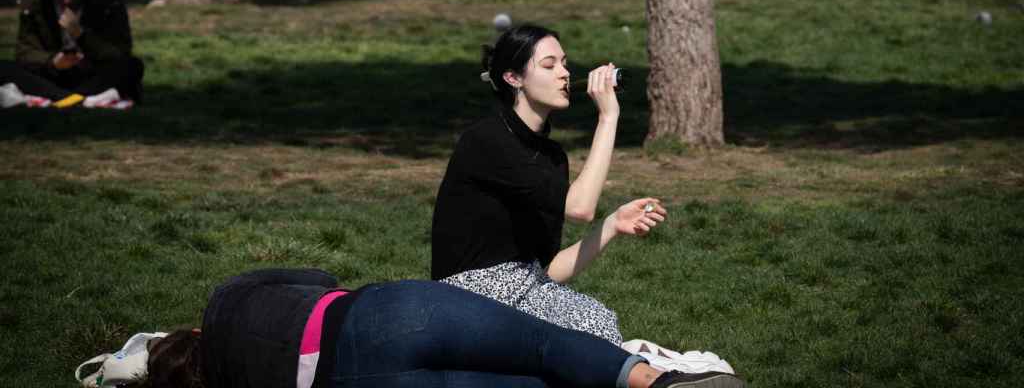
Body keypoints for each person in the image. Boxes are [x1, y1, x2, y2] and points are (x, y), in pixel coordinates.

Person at [431, 24, 667, 345]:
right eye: (549, 65)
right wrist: (608, 118)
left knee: (596, 321)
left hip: (524, 289)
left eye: (565, 63)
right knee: (591, 330)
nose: (564, 74)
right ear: (513, 78)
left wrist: (611, 226)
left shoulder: (552, 156)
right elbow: (580, 208)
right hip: (470, 295)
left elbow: (546, 270)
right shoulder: (487, 140)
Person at [143, 268, 745, 388]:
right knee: (539, 344)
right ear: (191, 336)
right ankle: (655, 381)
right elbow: (315, 273)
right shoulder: (225, 300)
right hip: (377, 317)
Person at [0, 0, 144, 109]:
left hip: (92, 73)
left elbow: (120, 50)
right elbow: (24, 53)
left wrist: (81, 36)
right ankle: (76, 99)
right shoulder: (35, 1)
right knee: (5, 68)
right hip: (53, 74)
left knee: (131, 66)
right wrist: (53, 62)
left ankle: (66, 98)